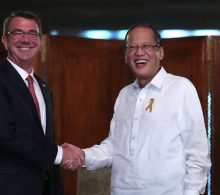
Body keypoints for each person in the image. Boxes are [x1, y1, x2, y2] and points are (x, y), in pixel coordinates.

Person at [64, 24, 211, 195]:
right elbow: (113, 148)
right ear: (126, 56)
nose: (139, 52)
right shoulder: (124, 95)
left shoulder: (181, 88)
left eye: (146, 46)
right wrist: (82, 155)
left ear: (160, 52)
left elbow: (198, 154)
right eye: (132, 47)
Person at [0, 10, 83, 195]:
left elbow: (41, 140)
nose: (26, 39)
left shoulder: (43, 87)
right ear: (5, 41)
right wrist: (59, 154)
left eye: (32, 33)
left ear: (40, 42)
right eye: (18, 33)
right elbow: (5, 135)